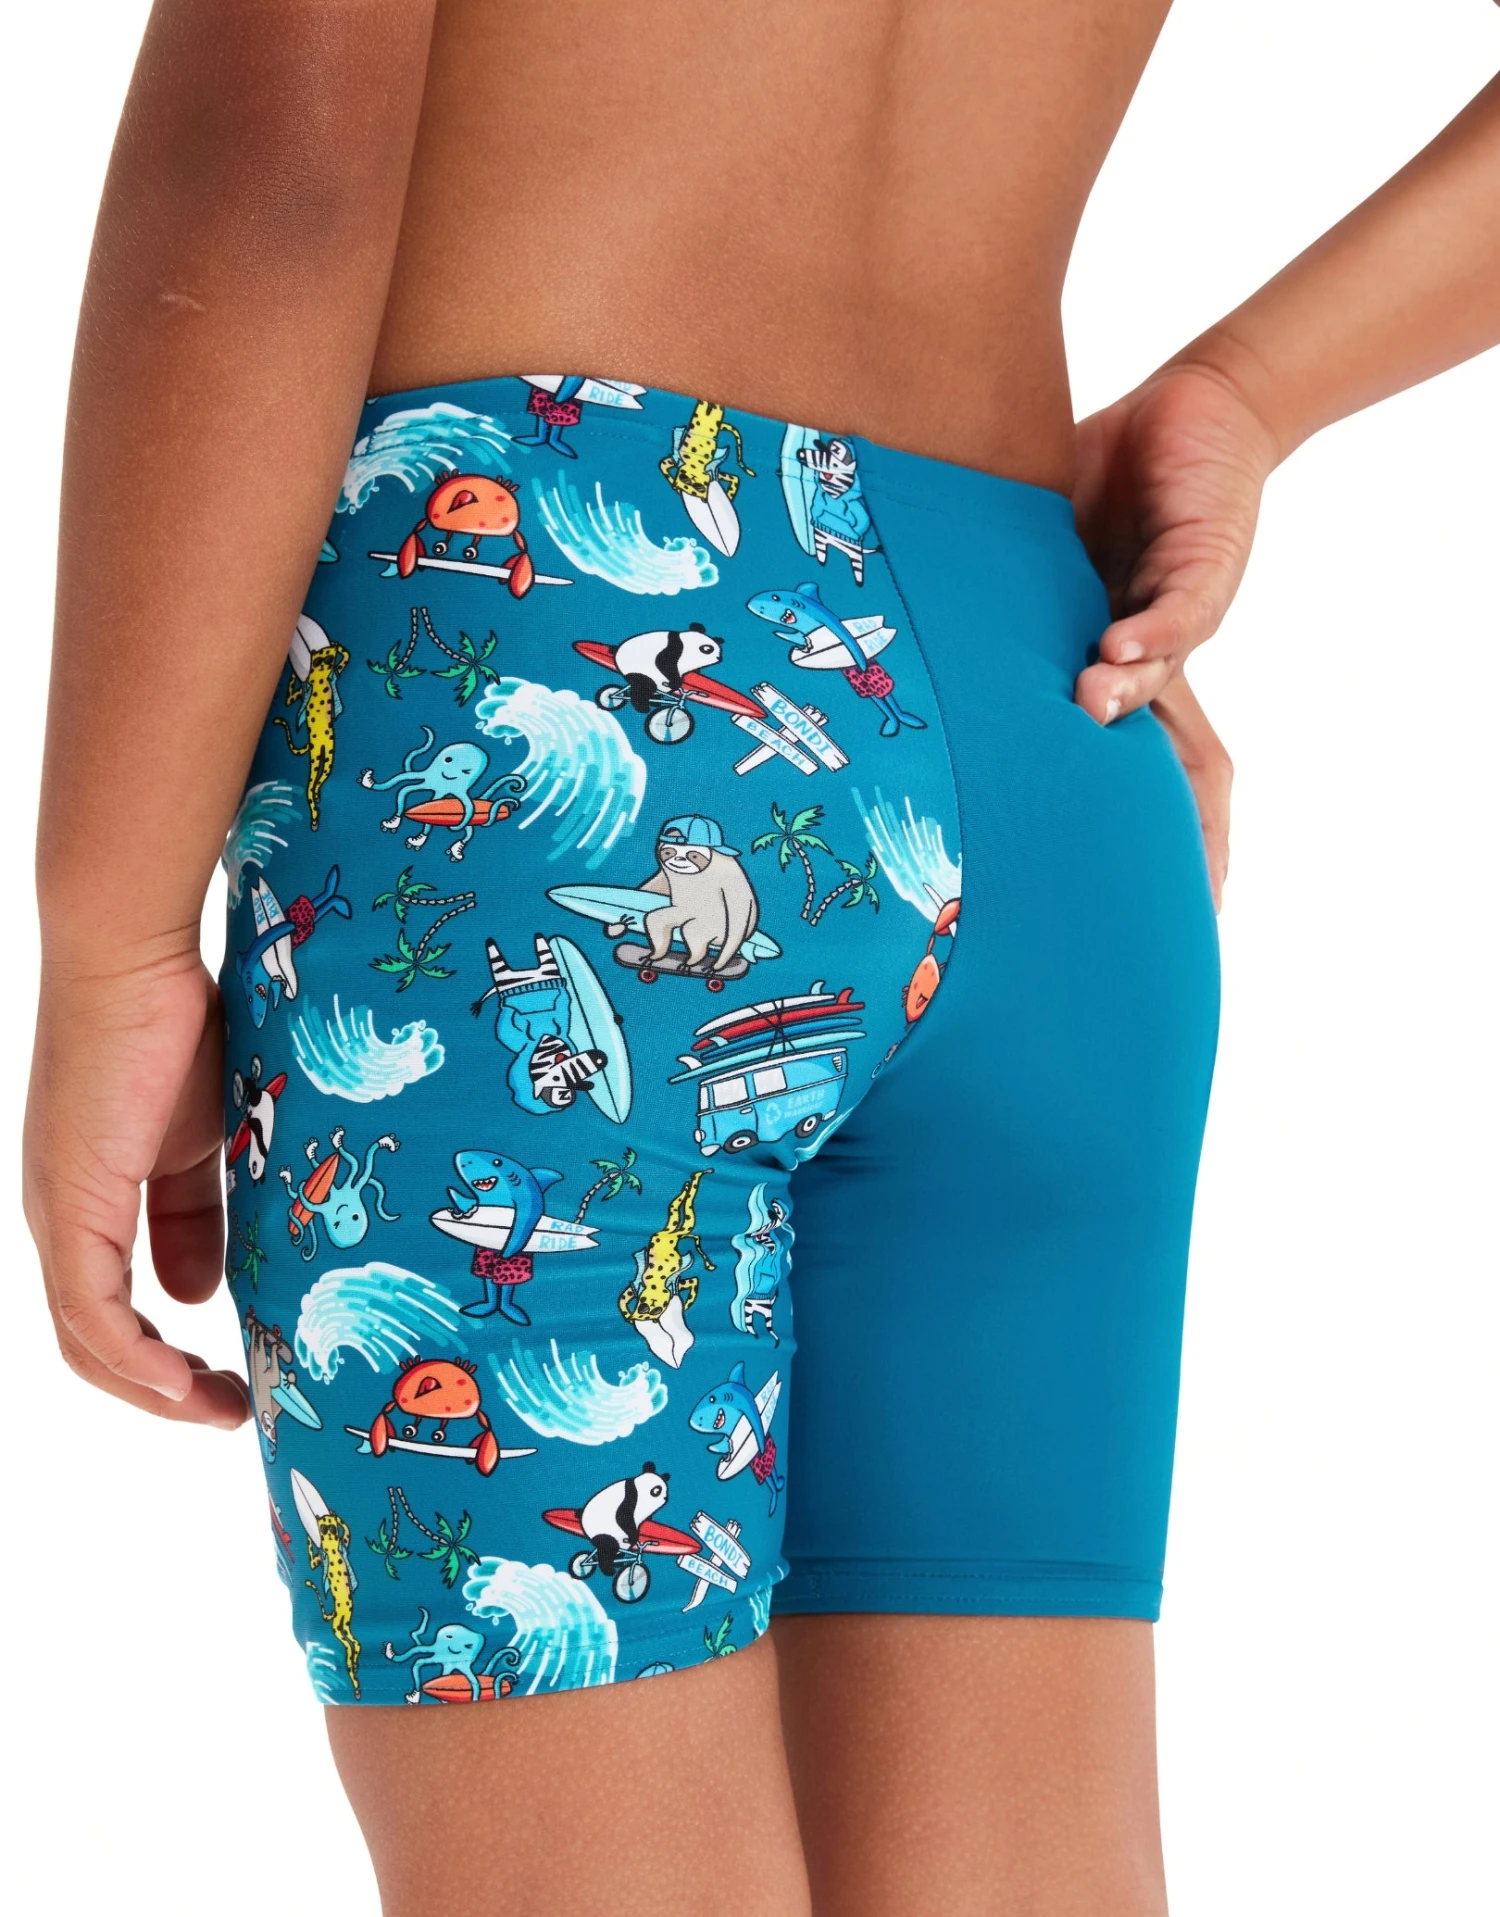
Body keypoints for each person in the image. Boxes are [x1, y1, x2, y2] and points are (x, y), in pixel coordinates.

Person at [21, 4, 1499, 1913]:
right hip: (1048, 700)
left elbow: (274, 169)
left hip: (552, 694)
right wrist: (1254, 390)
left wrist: (115, 933)